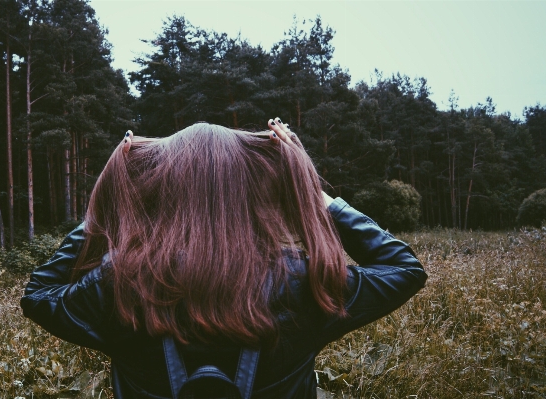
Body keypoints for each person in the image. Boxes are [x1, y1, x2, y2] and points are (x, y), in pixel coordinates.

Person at [21, 118, 427, 399]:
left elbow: (38, 295)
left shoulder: (122, 282)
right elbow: (404, 270)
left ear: (165, 191)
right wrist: (318, 200)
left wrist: (104, 210)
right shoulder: (300, 281)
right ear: (253, 193)